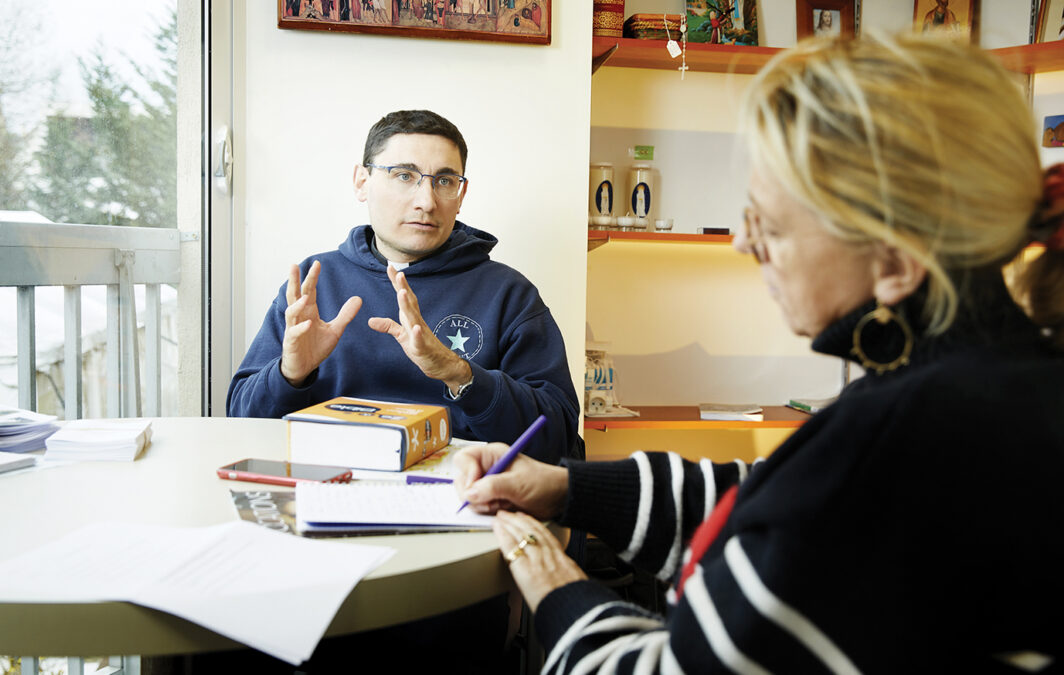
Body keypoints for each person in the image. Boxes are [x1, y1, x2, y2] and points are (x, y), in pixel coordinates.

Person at [454, 34, 1064, 672]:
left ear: (895, 259)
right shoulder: (991, 382)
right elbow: (776, 503)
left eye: (769, 224)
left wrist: (546, 575)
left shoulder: (906, 436)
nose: (745, 242)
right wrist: (564, 488)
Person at [227, 109, 582, 467]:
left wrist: (460, 374)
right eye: (404, 175)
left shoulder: (509, 294)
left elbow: (558, 437)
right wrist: (290, 374)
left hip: (461, 496)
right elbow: (240, 423)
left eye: (444, 181)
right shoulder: (314, 283)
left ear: (461, 194)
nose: (426, 201)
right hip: (328, 487)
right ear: (362, 182)